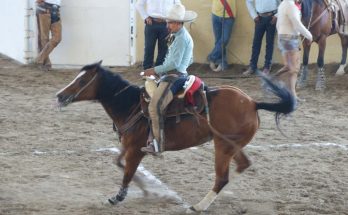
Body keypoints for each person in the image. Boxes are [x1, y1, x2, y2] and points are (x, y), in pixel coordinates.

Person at [140, 3, 197, 155]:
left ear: (178, 23)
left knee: (154, 106)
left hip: (175, 76)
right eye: (168, 22)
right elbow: (189, 59)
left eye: (170, 22)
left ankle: (158, 143)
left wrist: (153, 70)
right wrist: (162, 70)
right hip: (174, 73)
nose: (167, 24)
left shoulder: (180, 38)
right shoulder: (177, 35)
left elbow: (174, 63)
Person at [274, 0, 312, 100]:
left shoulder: (283, 5)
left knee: (291, 68)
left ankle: (291, 94)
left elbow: (278, 25)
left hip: (284, 38)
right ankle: (273, 81)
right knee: (294, 69)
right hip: (290, 39)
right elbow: (297, 24)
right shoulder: (291, 6)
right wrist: (309, 35)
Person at [135, 0, 181, 70]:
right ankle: (147, 71)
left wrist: (174, 19)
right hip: (151, 24)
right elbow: (139, 4)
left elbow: (179, 6)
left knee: (165, 48)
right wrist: (145, 17)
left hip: (167, 24)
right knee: (149, 48)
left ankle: (159, 71)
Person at [244, 0, 281, 75]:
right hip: (259, 18)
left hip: (272, 18)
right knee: (256, 43)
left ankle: (267, 67)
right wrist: (254, 16)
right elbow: (249, 1)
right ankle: (252, 66)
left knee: (270, 43)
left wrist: (277, 16)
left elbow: (281, 3)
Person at [207, 0, 236, 72]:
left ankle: (212, 57)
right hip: (215, 13)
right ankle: (222, 63)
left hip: (229, 15)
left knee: (224, 39)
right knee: (218, 40)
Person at [35, 0, 62, 71]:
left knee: (57, 38)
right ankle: (45, 62)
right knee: (44, 38)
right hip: (44, 8)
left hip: (56, 10)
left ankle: (40, 59)